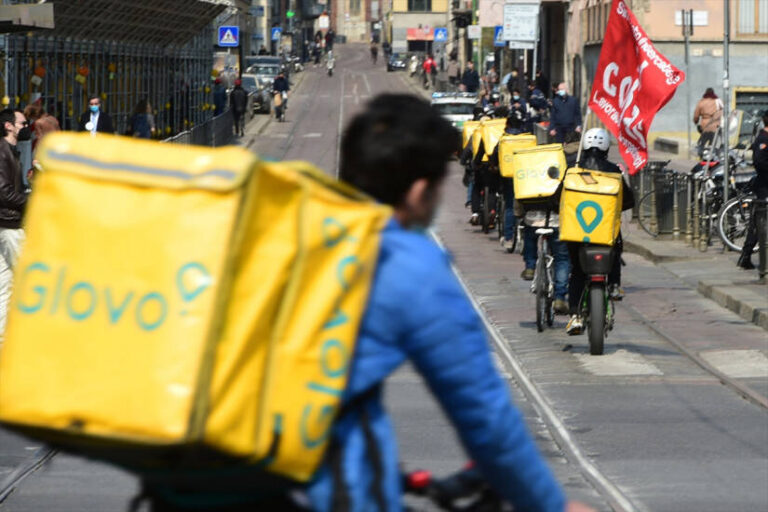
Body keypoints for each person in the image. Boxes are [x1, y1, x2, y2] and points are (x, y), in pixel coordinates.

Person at [565, 128, 634, 334]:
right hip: (605, 233)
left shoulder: (573, 170)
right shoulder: (614, 171)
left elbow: (560, 195)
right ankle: (613, 285)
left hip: (578, 233)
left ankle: (575, 316)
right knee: (615, 247)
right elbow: (629, 199)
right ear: (605, 148)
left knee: (577, 271)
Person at [0, 109, 30, 340]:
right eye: (22, 122)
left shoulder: (11, 151)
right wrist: (32, 201)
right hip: (9, 225)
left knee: (5, 285)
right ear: (9, 126)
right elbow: (4, 192)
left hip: (7, 224)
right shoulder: (2, 151)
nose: (25, 125)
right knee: (27, 279)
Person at [737, 110, 768, 269]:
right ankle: (746, 255)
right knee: (759, 222)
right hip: (764, 186)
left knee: (758, 222)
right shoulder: (763, 139)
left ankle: (746, 255)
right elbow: (760, 162)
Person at [693, 88, 724, 157]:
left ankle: (702, 155)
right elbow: (724, 112)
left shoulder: (701, 102)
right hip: (716, 124)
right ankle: (715, 156)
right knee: (715, 142)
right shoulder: (718, 101)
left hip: (705, 124)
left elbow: (696, 115)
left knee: (703, 142)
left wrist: (696, 122)